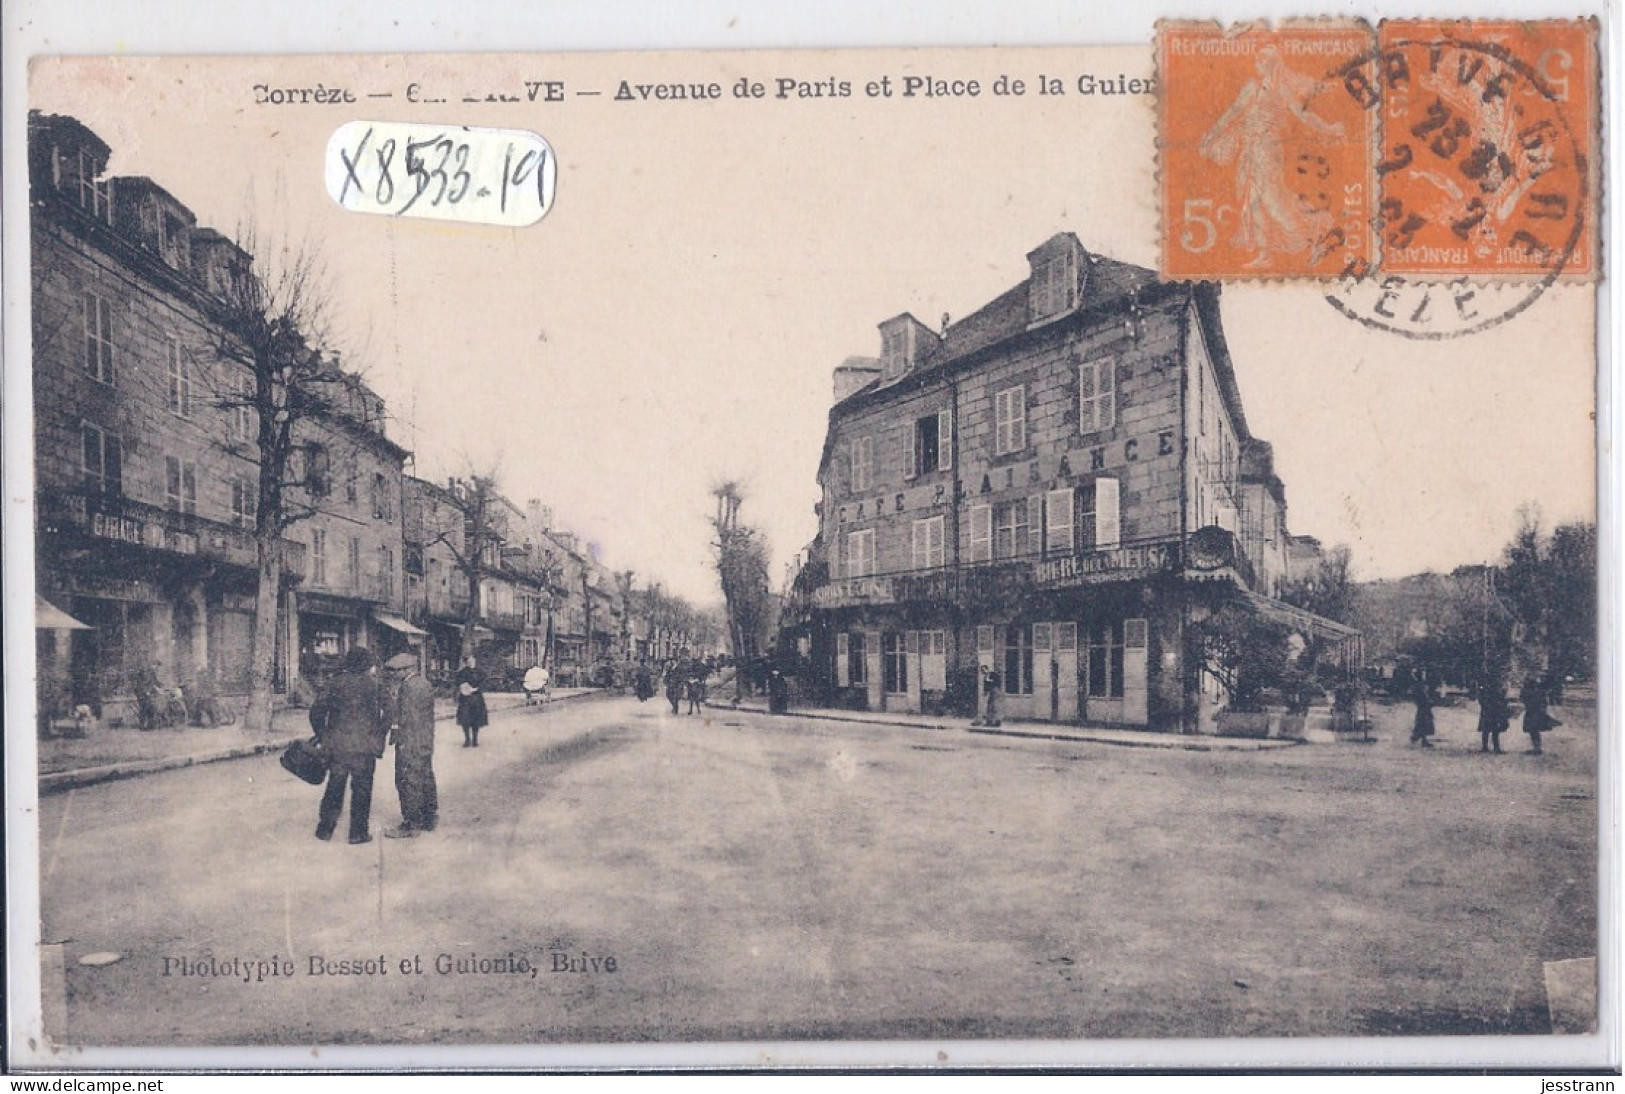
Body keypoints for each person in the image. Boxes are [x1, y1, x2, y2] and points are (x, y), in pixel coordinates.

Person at [309, 646, 388, 845]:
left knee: (335, 786)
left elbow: (316, 711)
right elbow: (390, 712)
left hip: (338, 747)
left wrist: (322, 734)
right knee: (362, 789)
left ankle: (325, 830)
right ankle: (358, 833)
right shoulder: (375, 685)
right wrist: (379, 734)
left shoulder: (334, 683)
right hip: (364, 747)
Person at [383, 652, 438, 838]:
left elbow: (408, 717)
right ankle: (429, 817)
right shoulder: (424, 684)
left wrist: (403, 740)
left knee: (407, 780)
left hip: (410, 741)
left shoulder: (408, 687)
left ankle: (411, 823)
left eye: (395, 671)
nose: (392, 675)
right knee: (425, 776)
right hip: (424, 740)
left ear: (407, 669)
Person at [1521, 674, 1558, 755]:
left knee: (1533, 730)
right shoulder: (1536, 690)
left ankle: (1537, 748)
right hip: (1534, 712)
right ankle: (1537, 747)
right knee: (1533, 730)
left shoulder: (1533, 690)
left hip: (1534, 712)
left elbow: (1524, 699)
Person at [455, 655, 488, 747]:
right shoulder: (462, 672)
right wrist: (464, 688)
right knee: (465, 719)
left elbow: (484, 682)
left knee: (476, 719)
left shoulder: (480, 672)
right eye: (469, 661)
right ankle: (467, 739)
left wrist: (477, 688)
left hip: (476, 698)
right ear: (466, 662)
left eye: (473, 660)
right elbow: (458, 682)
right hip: (465, 699)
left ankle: (475, 739)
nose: (471, 662)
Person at [1477, 669, 1510, 755]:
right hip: (1491, 707)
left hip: (1492, 707)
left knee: (1490, 728)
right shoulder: (1490, 684)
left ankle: (1489, 747)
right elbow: (1481, 694)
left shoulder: (1488, 683)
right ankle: (1491, 747)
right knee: (1490, 728)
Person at [1409, 667, 1435, 748]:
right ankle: (1418, 738)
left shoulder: (1418, 685)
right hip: (1423, 706)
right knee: (1424, 722)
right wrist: (1428, 701)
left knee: (1422, 722)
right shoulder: (1419, 686)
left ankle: (1420, 738)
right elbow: (1423, 696)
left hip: (1422, 706)